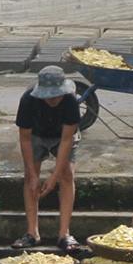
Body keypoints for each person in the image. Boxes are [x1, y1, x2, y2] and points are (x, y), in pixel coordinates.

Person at [11, 65, 81, 252]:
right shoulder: (28, 100)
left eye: (56, 96)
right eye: (48, 96)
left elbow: (67, 139)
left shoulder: (70, 101)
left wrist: (54, 177)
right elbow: (25, 139)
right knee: (30, 178)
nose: (52, 100)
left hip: (62, 137)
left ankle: (64, 234)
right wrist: (33, 174)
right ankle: (32, 233)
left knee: (67, 175)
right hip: (35, 135)